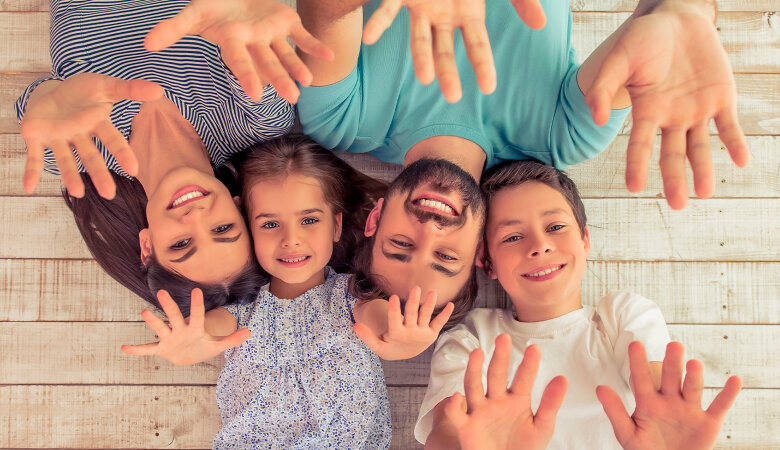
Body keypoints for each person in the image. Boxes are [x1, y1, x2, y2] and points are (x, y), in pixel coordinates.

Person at [294, 0, 633, 317]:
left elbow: (322, 9)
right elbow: (652, 36)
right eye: (445, 256)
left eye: (401, 244)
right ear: (480, 251)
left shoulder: (338, 120)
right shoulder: (566, 134)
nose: (429, 230)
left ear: (375, 220)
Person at [121, 136, 455, 447]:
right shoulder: (245, 309)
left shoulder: (348, 297)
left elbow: (380, 325)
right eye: (269, 224)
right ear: (248, 229)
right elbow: (212, 332)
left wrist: (401, 341)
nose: (291, 239)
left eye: (309, 220)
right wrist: (192, 345)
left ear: (335, 225)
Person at [15, 0, 331, 312]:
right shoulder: (257, 120)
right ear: (240, 207)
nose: (195, 216)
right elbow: (243, 26)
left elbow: (41, 102)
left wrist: (43, 96)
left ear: (147, 246)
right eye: (222, 229)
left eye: (180, 244)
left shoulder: (75, 151)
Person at [414, 159, 742, 448]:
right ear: (488, 263)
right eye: (513, 237)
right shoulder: (472, 340)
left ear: (585, 240)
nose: (540, 246)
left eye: (556, 227)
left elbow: (656, 390)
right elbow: (444, 432)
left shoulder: (623, 316)